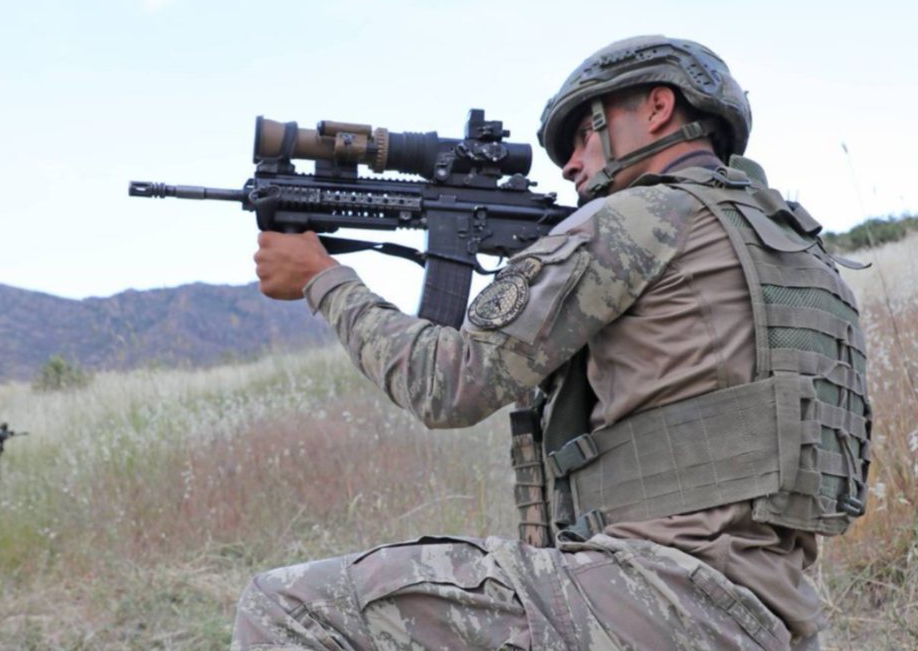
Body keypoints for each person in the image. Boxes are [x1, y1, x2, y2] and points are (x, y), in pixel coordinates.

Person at [236, 35, 870, 650]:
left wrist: (323, 280)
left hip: (663, 602)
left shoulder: (640, 219)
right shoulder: (798, 251)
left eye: (584, 132)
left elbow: (445, 384)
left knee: (284, 605)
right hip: (775, 615)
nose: (568, 163)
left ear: (658, 107)